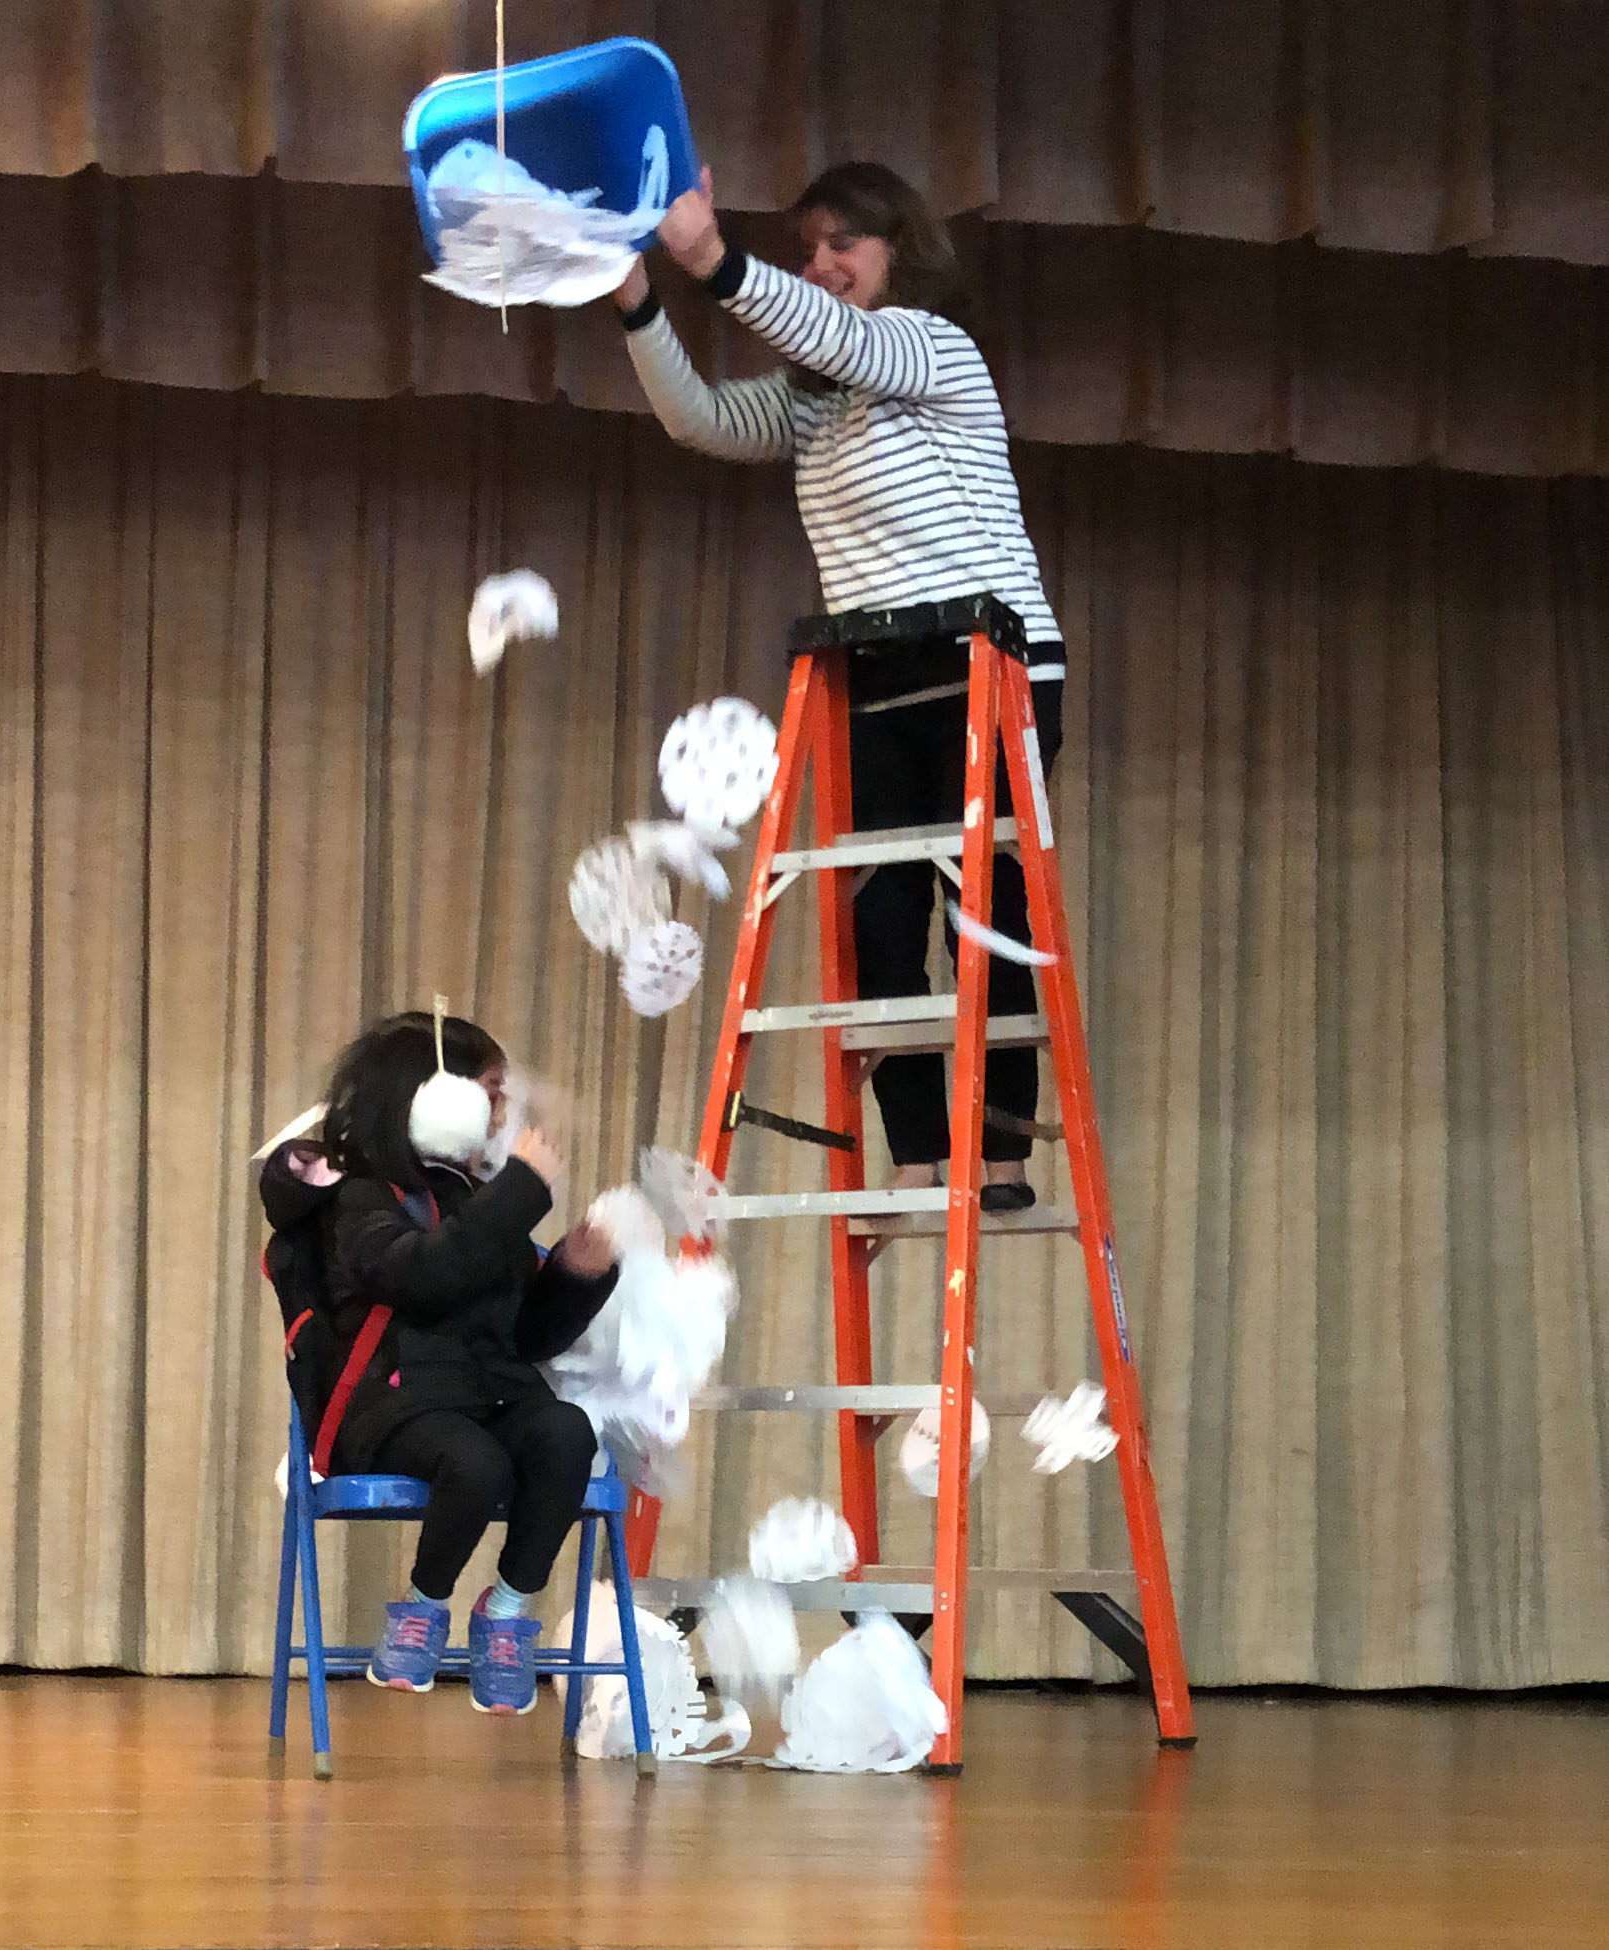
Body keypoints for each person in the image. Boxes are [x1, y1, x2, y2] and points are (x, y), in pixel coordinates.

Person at [613, 161, 1065, 1211]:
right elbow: (702, 420)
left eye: (842, 246)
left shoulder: (928, 347)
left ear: (898, 251)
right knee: (874, 922)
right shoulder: (814, 406)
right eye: (808, 249)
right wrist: (637, 299)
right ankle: (918, 1149)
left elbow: (842, 341)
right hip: (880, 668)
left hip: (992, 660)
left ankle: (1001, 1153)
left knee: (980, 908)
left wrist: (711, 262)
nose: (822, 267)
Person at [318, 1010, 618, 1715]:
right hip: (393, 1406)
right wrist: (520, 1191)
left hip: (489, 1396)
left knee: (567, 1432)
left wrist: (577, 1273)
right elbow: (421, 1276)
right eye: (490, 1088)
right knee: (476, 1462)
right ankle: (423, 1607)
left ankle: (507, 1614)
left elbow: (531, 1338)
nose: (504, 1107)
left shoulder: (481, 1201)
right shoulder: (361, 1196)